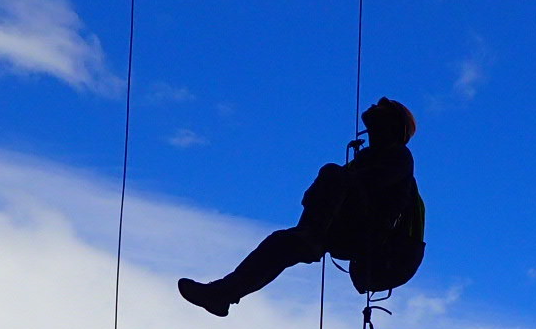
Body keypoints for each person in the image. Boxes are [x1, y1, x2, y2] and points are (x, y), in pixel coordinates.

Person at [178, 97, 425, 315]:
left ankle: (310, 236)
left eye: (381, 110)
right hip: (348, 232)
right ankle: (223, 293)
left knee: (331, 174)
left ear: (392, 125)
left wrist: (332, 187)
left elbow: (367, 184)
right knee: (281, 243)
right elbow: (314, 197)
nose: (374, 108)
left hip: (368, 237)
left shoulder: (398, 157)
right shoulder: (367, 160)